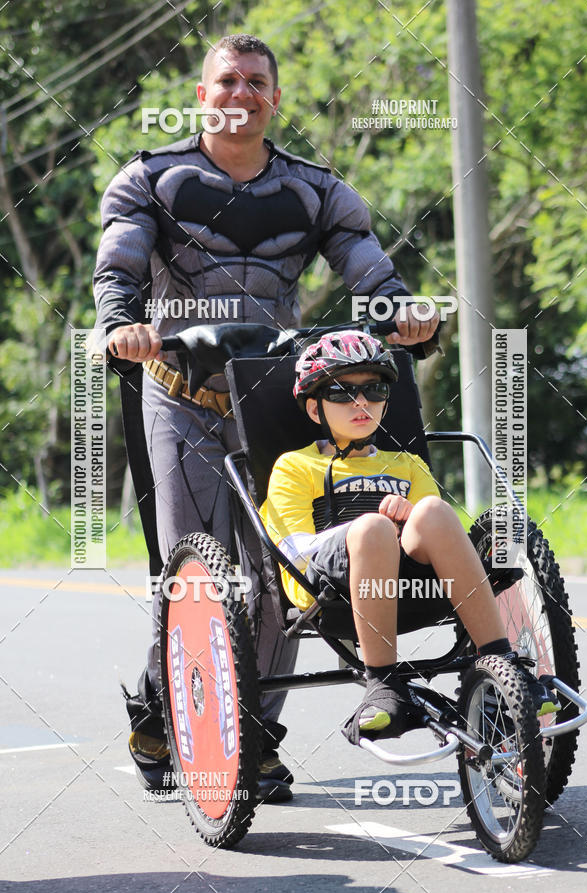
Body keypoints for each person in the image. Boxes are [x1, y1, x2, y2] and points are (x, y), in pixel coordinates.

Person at [93, 33, 440, 800]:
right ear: (201, 96)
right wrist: (123, 322)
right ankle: (160, 710)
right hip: (179, 394)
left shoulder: (315, 190)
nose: (240, 94)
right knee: (197, 577)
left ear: (273, 98)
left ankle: (254, 736)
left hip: (272, 399)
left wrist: (406, 315)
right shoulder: (151, 179)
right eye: (227, 81)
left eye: (256, 82)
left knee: (280, 575)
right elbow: (117, 265)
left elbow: (369, 267)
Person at [263, 330, 561, 741]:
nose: (361, 402)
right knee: (372, 526)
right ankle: (382, 685)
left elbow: (434, 530)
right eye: (342, 393)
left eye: (374, 389)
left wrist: (407, 520)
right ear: (315, 410)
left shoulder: (406, 464)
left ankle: (501, 661)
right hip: (331, 587)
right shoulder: (295, 467)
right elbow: (292, 548)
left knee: (434, 510)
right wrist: (368, 530)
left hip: (410, 584)